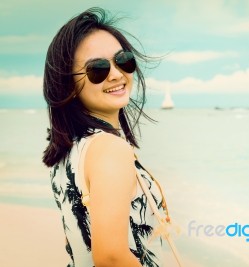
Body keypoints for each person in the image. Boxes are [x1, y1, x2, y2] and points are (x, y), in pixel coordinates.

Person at [42, 7, 168, 267]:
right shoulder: (110, 149)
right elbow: (110, 257)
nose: (116, 74)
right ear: (68, 85)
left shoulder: (69, 151)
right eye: (97, 69)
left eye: (123, 60)